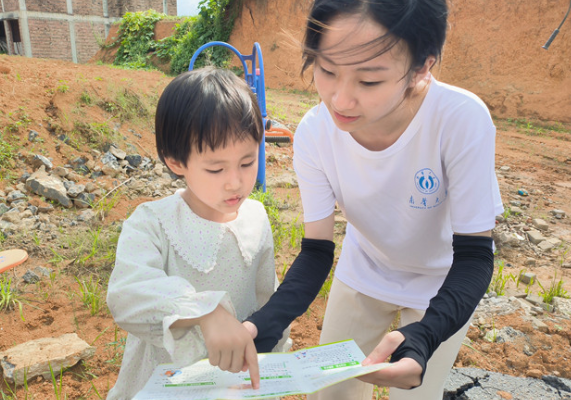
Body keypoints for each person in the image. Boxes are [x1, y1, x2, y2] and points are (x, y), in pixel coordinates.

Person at [244, 0, 504, 399]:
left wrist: (427, 335)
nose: (341, 101)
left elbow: (474, 256)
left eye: (369, 82)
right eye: (327, 71)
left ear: (421, 69)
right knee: (331, 392)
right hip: (365, 269)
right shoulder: (315, 133)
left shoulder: (460, 119)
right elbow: (316, 252)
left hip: (442, 281)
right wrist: (264, 322)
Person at [106, 67, 290, 400]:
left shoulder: (256, 218)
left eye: (247, 162)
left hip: (233, 384)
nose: (235, 181)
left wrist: (275, 359)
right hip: (167, 384)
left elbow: (267, 300)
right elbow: (127, 294)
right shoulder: (153, 223)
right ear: (176, 161)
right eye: (216, 168)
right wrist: (204, 311)